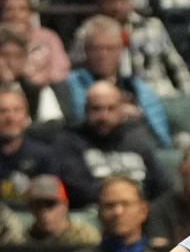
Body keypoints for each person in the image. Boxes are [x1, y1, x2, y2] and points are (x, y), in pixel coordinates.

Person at [56, 81, 170, 209]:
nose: (104, 116)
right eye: (96, 109)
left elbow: (161, 187)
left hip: (141, 214)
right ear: (85, 109)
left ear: (121, 109)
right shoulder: (70, 141)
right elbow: (78, 190)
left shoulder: (138, 140)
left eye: (111, 108)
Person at [79, 0, 190, 99]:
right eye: (110, 1)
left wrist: (188, 96)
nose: (116, 6)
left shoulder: (152, 26)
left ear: (129, 0)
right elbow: (78, 66)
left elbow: (176, 65)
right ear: (100, 3)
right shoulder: (88, 32)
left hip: (159, 95)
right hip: (114, 101)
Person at [66, 15, 171, 146]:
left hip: (141, 149)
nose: (103, 55)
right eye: (97, 48)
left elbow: (161, 135)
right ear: (86, 50)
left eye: (110, 48)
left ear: (120, 50)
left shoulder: (137, 87)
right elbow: (76, 122)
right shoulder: (69, 83)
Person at [0, 87, 58, 207]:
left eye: (17, 110)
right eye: (2, 111)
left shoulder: (43, 155)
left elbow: (51, 204)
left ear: (26, 116)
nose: (10, 117)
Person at [0, 0, 69, 86]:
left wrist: (42, 79)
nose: (16, 14)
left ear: (30, 13)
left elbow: (61, 68)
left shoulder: (47, 36)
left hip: (46, 88)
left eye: (22, 9)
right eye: (9, 9)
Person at [24, 173, 101, 245]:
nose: (44, 212)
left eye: (50, 204)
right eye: (37, 205)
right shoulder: (24, 239)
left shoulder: (85, 237)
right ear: (31, 209)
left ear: (65, 205)